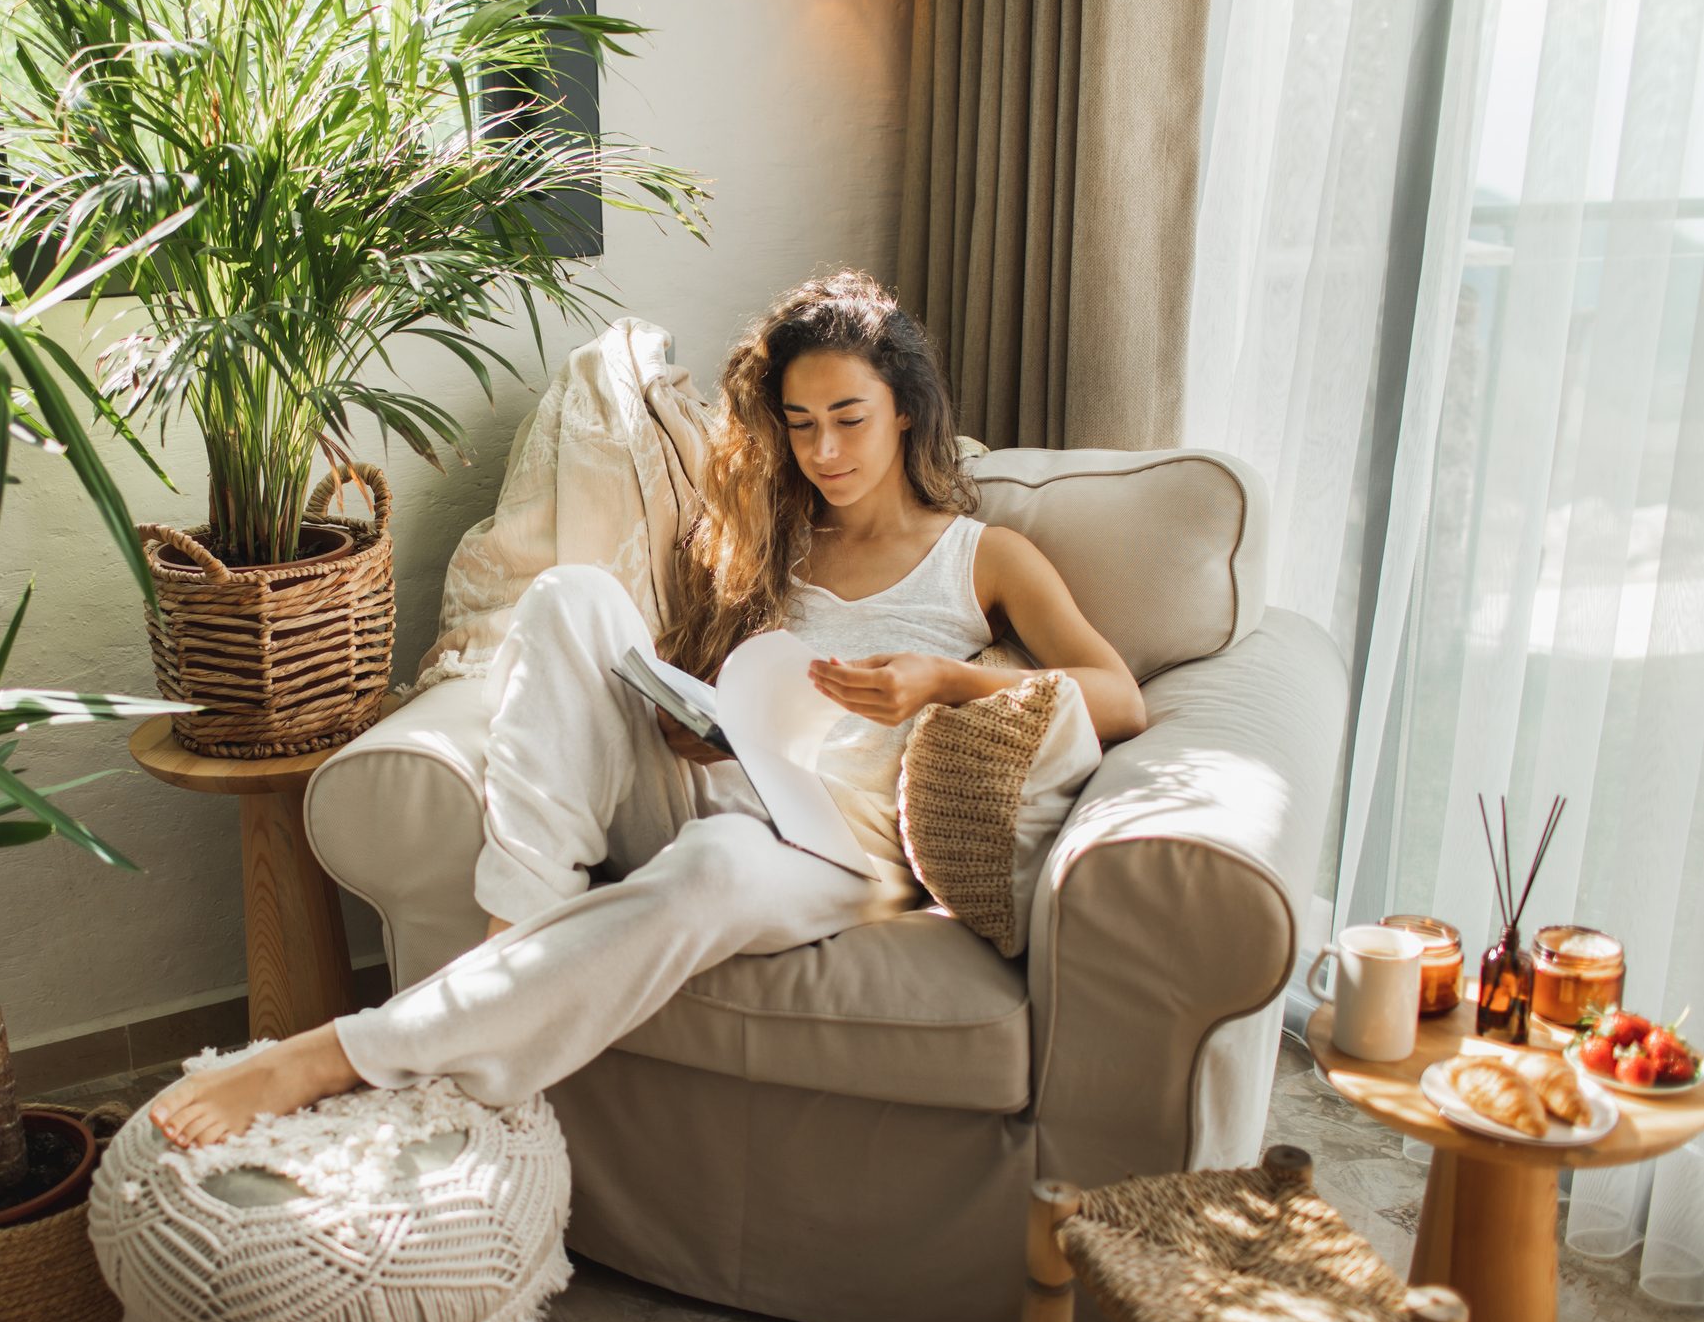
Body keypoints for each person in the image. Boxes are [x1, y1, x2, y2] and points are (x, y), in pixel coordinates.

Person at [151, 270, 1145, 1148]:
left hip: (843, 848)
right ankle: (512, 940)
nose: (825, 450)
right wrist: (695, 726)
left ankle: (336, 1054)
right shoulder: (777, 541)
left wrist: (944, 683)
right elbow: (711, 687)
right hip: (729, 787)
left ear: (906, 412)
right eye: (800, 425)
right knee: (570, 596)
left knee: (713, 865)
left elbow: (1118, 698)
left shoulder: (983, 557)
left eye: (849, 417)